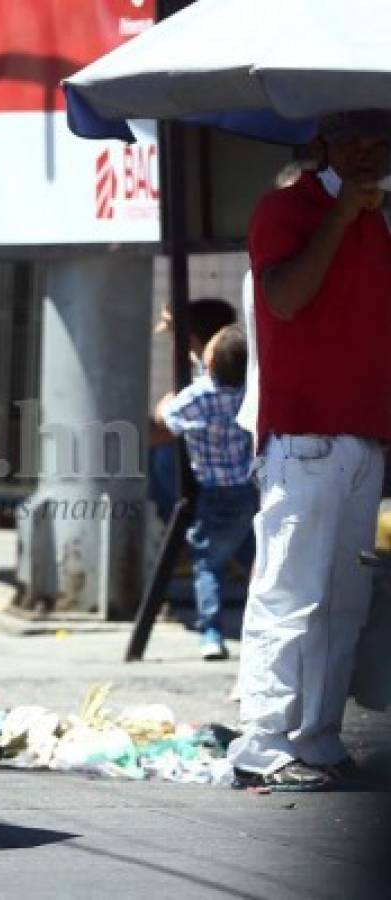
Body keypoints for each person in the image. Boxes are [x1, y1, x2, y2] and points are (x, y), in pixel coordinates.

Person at [228, 110, 391, 791]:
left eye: (379, 139)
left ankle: (316, 736)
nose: (366, 152)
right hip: (304, 438)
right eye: (351, 137)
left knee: (341, 601)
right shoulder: (285, 208)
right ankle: (263, 741)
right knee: (289, 593)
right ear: (321, 142)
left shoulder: (382, 220)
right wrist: (339, 217)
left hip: (362, 436)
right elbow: (286, 298)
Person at [158, 325, 258, 660]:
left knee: (208, 563)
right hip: (248, 489)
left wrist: (164, 402)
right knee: (249, 553)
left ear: (210, 362)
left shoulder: (197, 397)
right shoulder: (248, 392)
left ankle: (212, 633)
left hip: (215, 493)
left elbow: (168, 419)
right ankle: (261, 621)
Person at [149, 298, 238, 522]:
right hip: (231, 484)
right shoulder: (215, 366)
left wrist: (165, 405)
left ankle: (184, 527)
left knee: (163, 455)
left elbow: (165, 422)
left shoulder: (216, 381)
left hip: (221, 483)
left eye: (176, 338)